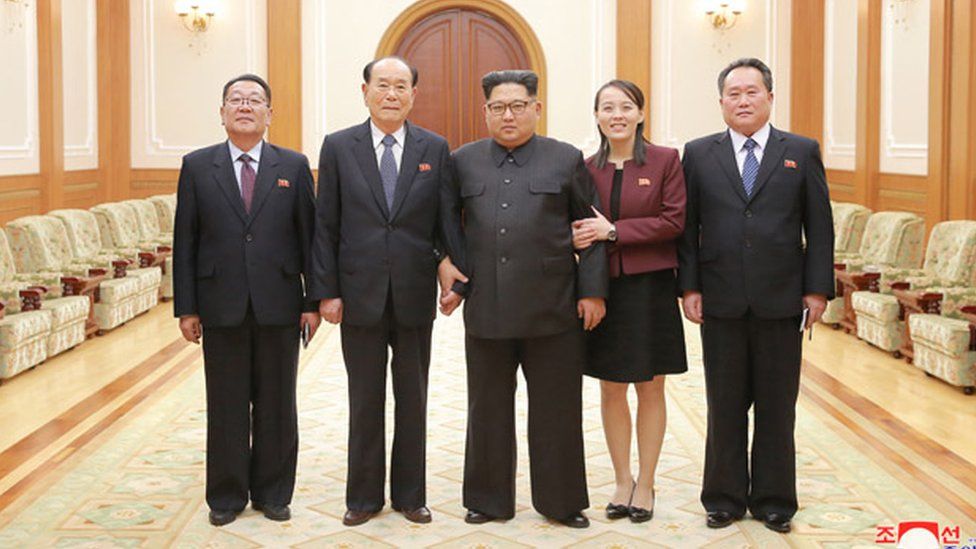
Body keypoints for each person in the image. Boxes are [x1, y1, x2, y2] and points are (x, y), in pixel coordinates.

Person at [677, 58, 834, 534]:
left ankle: (774, 500)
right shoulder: (700, 153)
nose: (742, 100)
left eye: (751, 92)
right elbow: (688, 229)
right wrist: (689, 286)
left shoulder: (800, 151)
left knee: (775, 404)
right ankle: (723, 497)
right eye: (733, 94)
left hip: (781, 298)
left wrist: (816, 290)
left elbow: (819, 227)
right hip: (720, 298)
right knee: (723, 403)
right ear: (721, 101)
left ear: (769, 96)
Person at [309, 56, 466, 527]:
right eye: (383, 85)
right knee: (365, 396)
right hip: (358, 294)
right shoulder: (338, 147)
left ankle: (410, 495)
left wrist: (457, 278)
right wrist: (327, 291)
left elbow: (446, 220)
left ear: (414, 94)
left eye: (401, 86)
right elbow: (325, 225)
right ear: (365, 90)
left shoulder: (434, 148)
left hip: (415, 293)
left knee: (413, 396)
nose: (392, 94)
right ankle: (362, 497)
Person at [451, 69, 608, 529]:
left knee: (557, 410)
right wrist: (447, 267)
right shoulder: (463, 160)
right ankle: (487, 500)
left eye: (518, 105)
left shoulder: (565, 159)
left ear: (537, 108)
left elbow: (592, 230)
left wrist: (593, 292)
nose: (508, 115)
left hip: (554, 308)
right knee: (487, 410)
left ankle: (562, 503)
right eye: (498, 107)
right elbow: (444, 226)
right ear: (485, 112)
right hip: (487, 309)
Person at [172, 74, 320, 526]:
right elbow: (186, 240)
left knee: (277, 403)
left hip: (279, 302)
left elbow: (309, 238)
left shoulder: (292, 166)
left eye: (255, 100)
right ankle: (226, 495)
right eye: (235, 99)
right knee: (226, 403)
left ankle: (274, 493)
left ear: (269, 114)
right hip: (221, 304)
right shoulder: (197, 166)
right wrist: (187, 307)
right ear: (221, 113)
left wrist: (312, 300)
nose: (244, 106)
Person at [571, 79, 688, 523]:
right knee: (610, 386)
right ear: (597, 116)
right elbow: (579, 224)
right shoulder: (584, 168)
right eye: (607, 107)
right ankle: (622, 480)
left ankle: (647, 481)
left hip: (650, 288)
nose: (616, 114)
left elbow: (674, 221)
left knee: (651, 386)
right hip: (604, 290)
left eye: (625, 106)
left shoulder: (665, 161)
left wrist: (615, 231)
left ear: (640, 113)